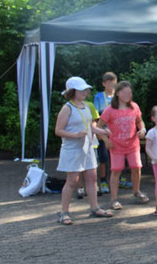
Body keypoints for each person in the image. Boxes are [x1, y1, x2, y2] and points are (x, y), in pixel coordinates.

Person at [54, 76, 113, 225]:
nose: (86, 92)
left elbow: (91, 127)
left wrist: (103, 131)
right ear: (73, 91)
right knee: (72, 181)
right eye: (82, 89)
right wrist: (75, 135)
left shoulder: (86, 106)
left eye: (86, 89)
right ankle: (64, 212)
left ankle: (95, 208)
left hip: (87, 147)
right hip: (72, 149)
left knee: (92, 178)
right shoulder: (67, 108)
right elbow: (58, 130)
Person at [97, 81, 149, 210]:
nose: (128, 95)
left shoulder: (134, 106)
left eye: (130, 93)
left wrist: (143, 129)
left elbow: (140, 121)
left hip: (133, 144)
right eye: (125, 93)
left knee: (136, 167)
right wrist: (105, 140)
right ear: (118, 94)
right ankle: (114, 199)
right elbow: (98, 127)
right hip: (116, 146)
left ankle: (136, 192)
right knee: (116, 171)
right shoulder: (110, 110)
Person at [93, 71, 118, 194]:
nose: (112, 86)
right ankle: (103, 180)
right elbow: (96, 116)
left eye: (114, 83)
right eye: (109, 83)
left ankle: (119, 179)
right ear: (104, 84)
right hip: (103, 131)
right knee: (103, 156)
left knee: (118, 156)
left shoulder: (119, 96)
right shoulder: (98, 97)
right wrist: (100, 131)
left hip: (117, 132)